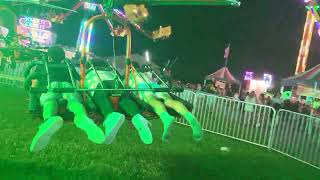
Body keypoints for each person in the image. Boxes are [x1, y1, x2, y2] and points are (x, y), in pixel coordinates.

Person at [27, 46, 105, 152]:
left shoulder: (42, 65)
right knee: (74, 102)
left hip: (51, 86)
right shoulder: (68, 65)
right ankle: (83, 118)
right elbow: (78, 80)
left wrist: (33, 104)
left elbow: (35, 84)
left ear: (49, 56)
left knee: (49, 102)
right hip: (68, 86)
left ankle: (48, 120)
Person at [83, 61, 153, 144]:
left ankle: (110, 116)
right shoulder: (112, 69)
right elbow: (121, 79)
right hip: (115, 81)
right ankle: (138, 119)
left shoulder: (89, 72)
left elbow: (84, 90)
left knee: (100, 97)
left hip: (98, 83)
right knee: (124, 99)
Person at [129, 64, 202, 142]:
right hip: (155, 85)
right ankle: (190, 117)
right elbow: (156, 77)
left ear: (130, 69)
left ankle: (166, 118)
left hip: (142, 87)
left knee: (153, 101)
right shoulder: (146, 73)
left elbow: (125, 88)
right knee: (169, 101)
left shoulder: (129, 75)